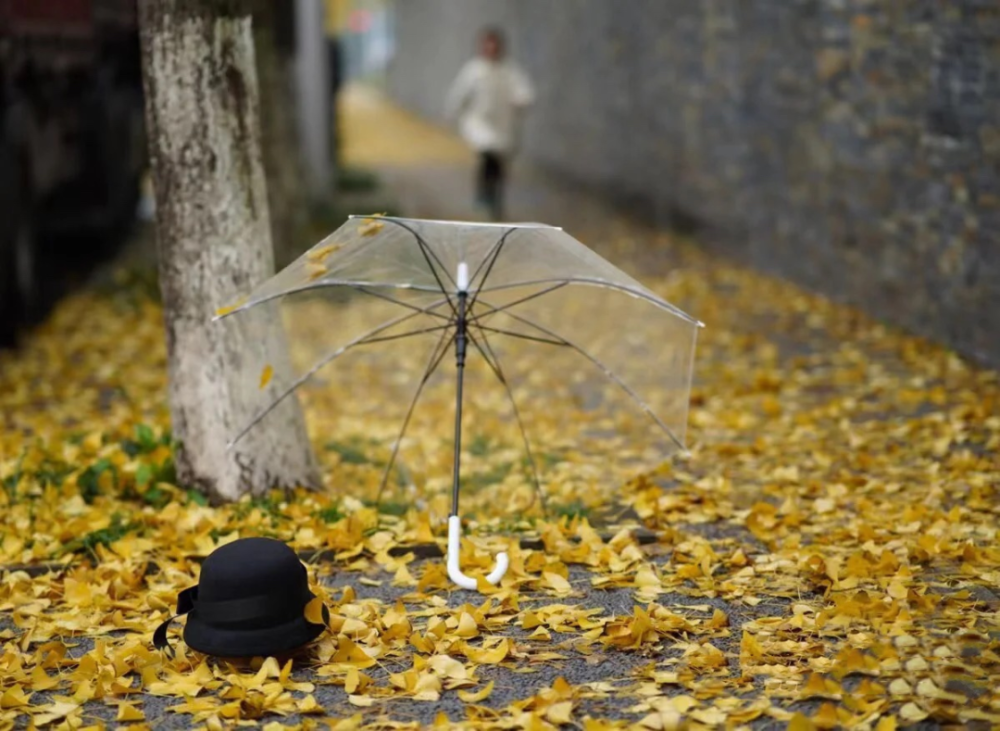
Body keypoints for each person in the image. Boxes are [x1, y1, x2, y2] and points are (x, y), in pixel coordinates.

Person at [446, 27, 534, 221]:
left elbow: (523, 92)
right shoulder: (474, 70)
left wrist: (521, 101)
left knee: (499, 164)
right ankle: (484, 193)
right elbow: (459, 94)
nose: (491, 48)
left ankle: (495, 201)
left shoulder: (509, 70)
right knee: (488, 153)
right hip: (479, 123)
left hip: (503, 127)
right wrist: (453, 113)